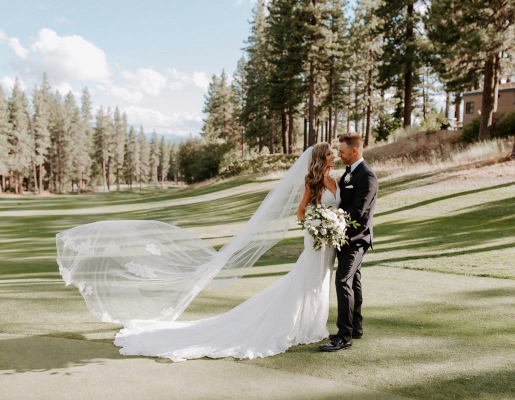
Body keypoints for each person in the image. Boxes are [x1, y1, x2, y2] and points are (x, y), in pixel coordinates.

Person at [56, 143, 345, 361]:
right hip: (316, 239)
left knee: (319, 281)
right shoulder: (312, 181)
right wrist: (318, 223)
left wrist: (334, 222)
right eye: (330, 154)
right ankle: (299, 325)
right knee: (307, 279)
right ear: (321, 159)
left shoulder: (337, 180)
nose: (334, 156)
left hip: (329, 241)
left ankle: (314, 324)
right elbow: (300, 213)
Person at [319, 133, 378, 352]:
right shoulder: (348, 174)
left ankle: (344, 337)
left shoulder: (367, 176)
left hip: (357, 238)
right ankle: (355, 328)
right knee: (353, 281)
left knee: (342, 280)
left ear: (354, 151)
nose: (339, 155)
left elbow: (359, 212)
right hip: (344, 237)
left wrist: (331, 219)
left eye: (342, 151)